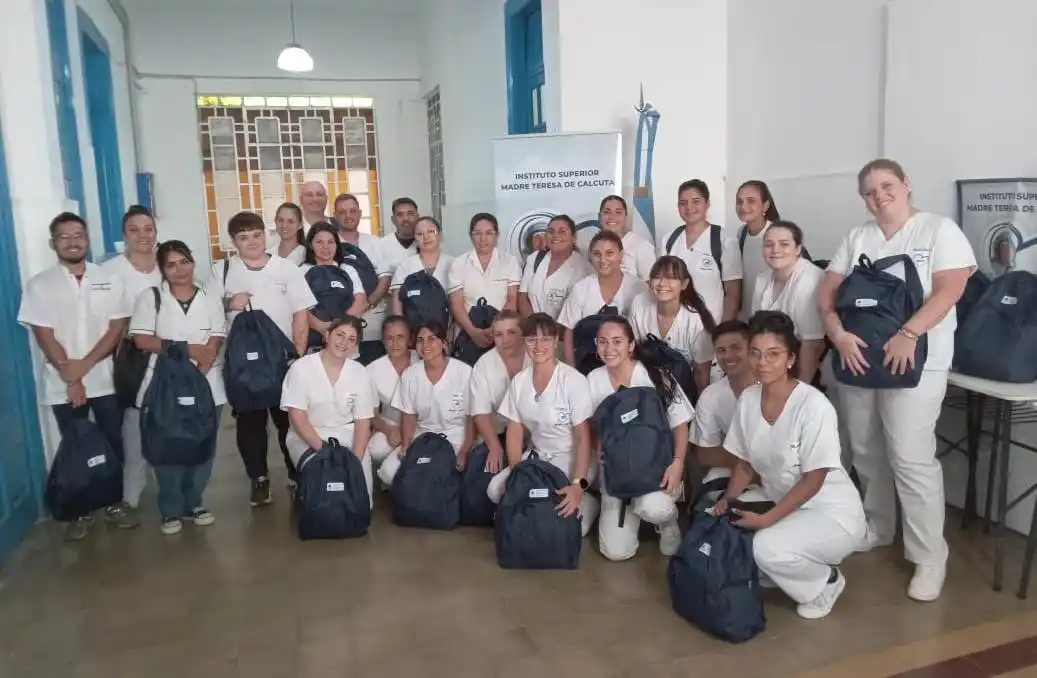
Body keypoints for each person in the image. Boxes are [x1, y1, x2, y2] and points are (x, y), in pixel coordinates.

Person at [818, 158, 976, 602]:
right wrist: (837, 334)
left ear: (905, 185)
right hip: (860, 359)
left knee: (910, 457)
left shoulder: (938, 230)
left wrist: (909, 333)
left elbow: (951, 288)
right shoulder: (859, 237)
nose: (879, 196)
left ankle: (929, 557)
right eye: (869, 191)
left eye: (887, 186)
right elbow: (826, 293)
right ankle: (879, 526)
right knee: (867, 450)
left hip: (917, 363)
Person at [713, 311, 865, 620]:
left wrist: (768, 519)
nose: (762, 362)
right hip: (786, 501)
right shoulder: (748, 399)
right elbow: (742, 463)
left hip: (830, 512)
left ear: (791, 359)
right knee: (717, 519)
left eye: (773, 354)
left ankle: (825, 583)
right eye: (755, 354)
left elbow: (813, 480)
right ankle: (786, 563)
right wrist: (727, 500)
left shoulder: (813, 406)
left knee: (766, 547)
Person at [17, 213, 133, 539]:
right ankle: (79, 509)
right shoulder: (40, 285)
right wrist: (72, 375)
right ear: (53, 243)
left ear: (87, 239)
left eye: (78, 235)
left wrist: (85, 366)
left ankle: (113, 501)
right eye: (64, 236)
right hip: (63, 384)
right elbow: (44, 333)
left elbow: (116, 328)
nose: (73, 241)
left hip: (105, 380)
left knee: (112, 443)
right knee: (74, 445)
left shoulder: (108, 278)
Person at [206, 211, 317, 507]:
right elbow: (206, 310)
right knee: (250, 424)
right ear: (233, 241)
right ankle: (259, 479)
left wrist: (299, 355)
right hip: (243, 364)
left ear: (265, 234)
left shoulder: (286, 269)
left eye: (256, 235)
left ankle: (297, 474)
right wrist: (230, 302)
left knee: (289, 421)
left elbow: (300, 315)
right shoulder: (223, 271)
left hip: (281, 360)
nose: (251, 242)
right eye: (243, 237)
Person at [129, 240, 225, 535]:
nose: (179, 269)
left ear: (192, 263)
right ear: (162, 269)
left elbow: (216, 337)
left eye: (184, 262)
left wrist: (202, 362)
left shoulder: (209, 297)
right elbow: (142, 340)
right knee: (168, 447)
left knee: (201, 446)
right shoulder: (151, 298)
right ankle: (170, 508)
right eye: (171, 264)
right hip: (164, 386)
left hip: (207, 384)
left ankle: (194, 502)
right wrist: (187, 350)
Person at [488, 313, 600, 536]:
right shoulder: (520, 381)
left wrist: (578, 483)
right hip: (538, 456)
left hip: (572, 457)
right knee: (495, 490)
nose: (538, 346)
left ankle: (589, 501)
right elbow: (515, 429)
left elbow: (582, 436)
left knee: (572, 526)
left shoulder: (572, 380)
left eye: (546, 339)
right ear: (525, 342)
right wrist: (517, 470)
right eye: (532, 340)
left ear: (555, 340)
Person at [588, 317, 687, 560]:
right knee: (615, 552)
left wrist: (678, 462)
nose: (609, 349)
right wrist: (596, 448)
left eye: (617, 341)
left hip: (657, 470)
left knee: (652, 507)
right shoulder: (593, 379)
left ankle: (667, 523)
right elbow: (589, 425)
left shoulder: (655, 375)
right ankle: (628, 510)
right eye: (602, 342)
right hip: (617, 474)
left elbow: (681, 423)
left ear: (631, 345)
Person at [102, 205, 162, 524]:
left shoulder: (167, 265)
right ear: (124, 235)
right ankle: (130, 497)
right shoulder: (110, 271)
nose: (143, 235)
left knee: (169, 423)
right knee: (134, 428)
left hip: (167, 355)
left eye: (148, 228)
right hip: (130, 359)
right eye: (134, 230)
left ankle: (176, 493)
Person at [281, 316, 377, 503]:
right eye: (339, 335)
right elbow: (298, 418)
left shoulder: (359, 373)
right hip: (308, 437)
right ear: (327, 335)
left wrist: (355, 461)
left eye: (351, 339)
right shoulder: (301, 369)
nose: (344, 343)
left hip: (346, 435)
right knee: (322, 481)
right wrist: (325, 452)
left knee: (361, 499)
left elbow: (363, 422)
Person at [377, 322, 475, 485]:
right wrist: (407, 445)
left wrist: (465, 450)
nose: (425, 345)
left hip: (456, 436)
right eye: (420, 340)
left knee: (443, 476)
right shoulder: (411, 374)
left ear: (443, 343)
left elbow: (473, 418)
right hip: (423, 436)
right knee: (388, 473)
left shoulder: (463, 372)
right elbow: (409, 414)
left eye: (432, 339)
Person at [690, 320, 766, 501]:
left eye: (735, 347)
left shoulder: (774, 386)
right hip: (740, 471)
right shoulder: (711, 395)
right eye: (721, 351)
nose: (728, 356)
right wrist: (751, 467)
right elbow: (705, 454)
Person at [750, 221, 825, 384]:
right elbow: (755, 330)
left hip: (805, 364)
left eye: (784, 244)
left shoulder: (810, 280)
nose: (775, 250)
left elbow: (812, 344)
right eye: (769, 244)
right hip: (770, 360)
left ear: (798, 249)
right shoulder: (762, 279)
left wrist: (799, 391)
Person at [658, 179, 743, 322]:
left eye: (696, 201)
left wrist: (723, 332)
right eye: (683, 203)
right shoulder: (669, 239)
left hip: (710, 328)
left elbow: (733, 293)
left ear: (707, 204)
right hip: (675, 325)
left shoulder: (724, 240)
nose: (689, 207)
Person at [629, 255, 716, 394]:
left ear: (684, 284)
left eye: (671, 277)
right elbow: (631, 352)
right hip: (645, 385)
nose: (662, 283)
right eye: (657, 277)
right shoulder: (640, 303)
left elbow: (701, 372)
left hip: (683, 388)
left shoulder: (696, 320)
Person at [557, 231, 648, 364]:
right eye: (597, 254)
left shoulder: (639, 288)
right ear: (590, 257)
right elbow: (569, 332)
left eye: (609, 253)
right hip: (588, 363)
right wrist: (573, 369)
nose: (603, 260)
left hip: (629, 364)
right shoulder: (581, 288)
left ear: (621, 255)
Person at [333, 193, 393, 364]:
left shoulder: (375, 242)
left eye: (352, 211)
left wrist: (368, 302)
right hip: (341, 323)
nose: (348, 216)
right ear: (335, 216)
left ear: (359, 213)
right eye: (342, 212)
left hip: (373, 321)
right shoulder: (330, 243)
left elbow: (385, 277)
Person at [468, 311, 530, 475]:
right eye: (499, 334)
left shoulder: (535, 356)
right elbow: (480, 413)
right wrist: (494, 446)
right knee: (483, 478)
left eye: (511, 332)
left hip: (533, 434)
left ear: (523, 334)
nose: (506, 340)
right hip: (497, 433)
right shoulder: (484, 365)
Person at [449, 213, 521, 348]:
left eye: (489, 233)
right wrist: (473, 332)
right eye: (477, 233)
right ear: (471, 236)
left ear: (497, 235)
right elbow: (456, 303)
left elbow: (512, 300)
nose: (483, 238)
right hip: (468, 334)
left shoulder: (510, 261)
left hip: (503, 332)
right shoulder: (458, 264)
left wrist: (495, 329)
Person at [364, 316, 418, 478]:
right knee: (375, 450)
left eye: (401, 337)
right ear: (383, 340)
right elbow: (370, 411)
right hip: (391, 423)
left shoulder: (422, 360)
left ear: (410, 340)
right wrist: (387, 430)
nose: (395, 344)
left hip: (421, 426)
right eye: (390, 338)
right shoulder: (372, 370)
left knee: (398, 470)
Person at [301, 223, 369, 345]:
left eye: (331, 242)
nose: (325, 247)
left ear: (337, 245)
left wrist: (340, 328)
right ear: (311, 245)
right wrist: (323, 328)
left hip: (347, 336)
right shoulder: (302, 271)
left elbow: (361, 300)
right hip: (314, 337)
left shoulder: (347, 269)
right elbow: (299, 307)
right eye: (320, 242)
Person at [517, 214, 593, 320]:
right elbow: (522, 298)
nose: (555, 235)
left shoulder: (584, 269)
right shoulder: (534, 259)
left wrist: (550, 332)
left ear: (573, 237)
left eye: (562, 231)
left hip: (561, 333)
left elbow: (577, 313)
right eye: (551, 231)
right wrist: (535, 326)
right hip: (532, 331)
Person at [390, 216, 454, 315]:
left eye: (431, 232)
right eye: (420, 234)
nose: (426, 237)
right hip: (413, 328)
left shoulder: (454, 263)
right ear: (415, 239)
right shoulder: (405, 266)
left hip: (449, 327)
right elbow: (397, 308)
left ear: (440, 235)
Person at [735, 180, 781, 319]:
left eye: (751, 201)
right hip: (746, 316)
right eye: (739, 201)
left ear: (765, 205)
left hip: (771, 318)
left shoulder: (778, 234)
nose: (743, 206)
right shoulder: (741, 233)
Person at [598, 195, 656, 281]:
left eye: (618, 212)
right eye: (607, 212)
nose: (612, 217)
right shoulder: (594, 245)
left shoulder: (642, 245)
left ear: (625, 217)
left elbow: (650, 282)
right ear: (599, 217)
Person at [379, 197, 419, 278]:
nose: (406, 219)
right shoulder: (381, 245)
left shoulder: (427, 243)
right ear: (393, 219)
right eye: (400, 215)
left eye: (410, 213)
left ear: (418, 217)